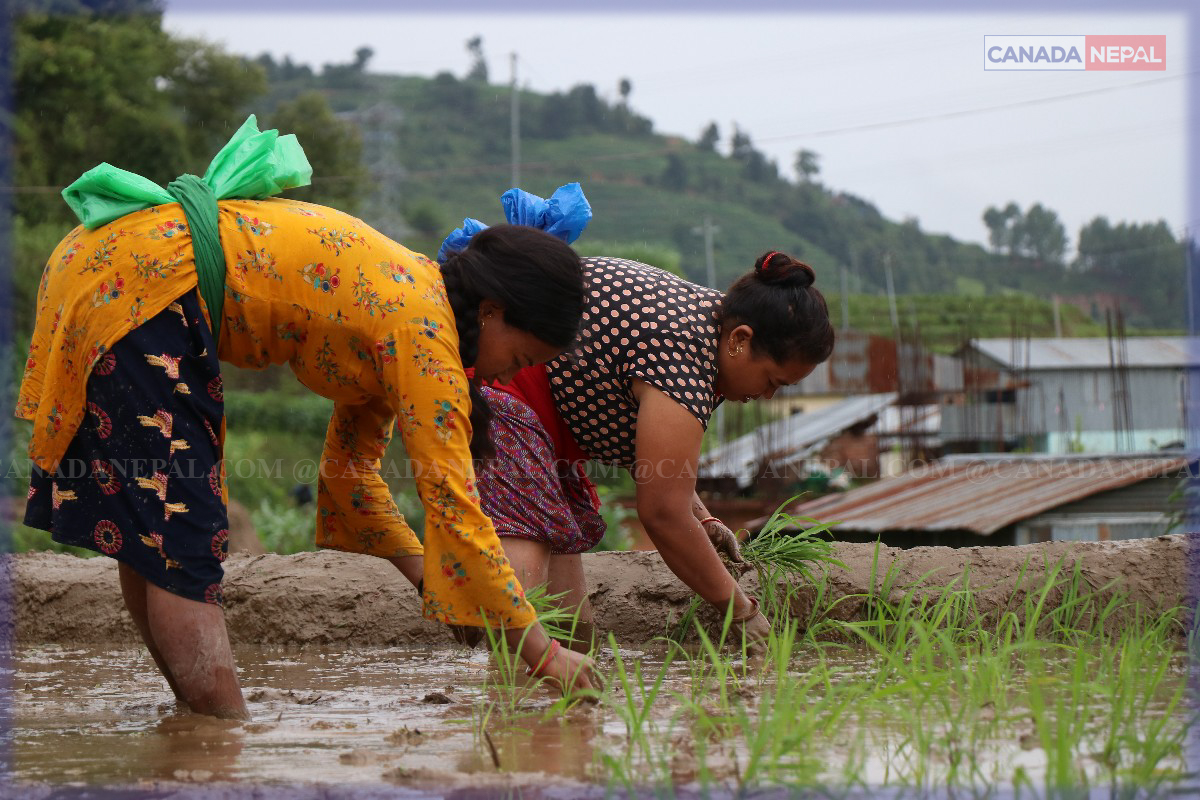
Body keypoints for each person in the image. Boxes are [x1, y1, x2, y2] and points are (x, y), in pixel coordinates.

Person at [16, 117, 596, 720]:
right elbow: (455, 503)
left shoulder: (407, 310)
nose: (506, 378)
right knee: (181, 538)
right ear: (495, 312)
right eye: (521, 359)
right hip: (146, 281)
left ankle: (199, 726)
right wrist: (544, 655)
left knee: (154, 538)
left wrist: (427, 577)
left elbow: (349, 474)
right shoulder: (424, 335)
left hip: (117, 264)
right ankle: (225, 742)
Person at [460, 216, 836, 654]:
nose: (767, 395)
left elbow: (661, 469)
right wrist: (742, 611)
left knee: (572, 629)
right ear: (741, 338)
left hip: (551, 426)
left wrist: (703, 516)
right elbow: (660, 512)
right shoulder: (683, 359)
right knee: (532, 596)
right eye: (773, 380)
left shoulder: (706, 330)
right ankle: (508, 712)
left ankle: (547, 717)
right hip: (507, 386)